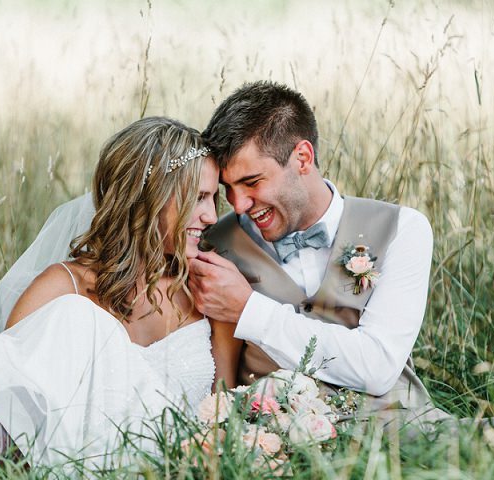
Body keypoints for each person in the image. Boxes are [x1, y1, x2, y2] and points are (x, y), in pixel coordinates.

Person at [0, 117, 240, 474]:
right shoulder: (64, 284)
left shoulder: (209, 289)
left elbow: (222, 414)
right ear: (149, 199)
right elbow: (4, 385)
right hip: (59, 454)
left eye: (213, 197)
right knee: (76, 313)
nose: (212, 215)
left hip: (159, 461)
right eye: (198, 197)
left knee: (81, 317)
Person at [188, 81, 449, 429]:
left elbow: (378, 367)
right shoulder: (214, 244)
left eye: (251, 182)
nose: (238, 205)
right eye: (228, 189)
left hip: (410, 435)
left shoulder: (402, 228)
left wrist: (249, 310)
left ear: (303, 158)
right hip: (276, 451)